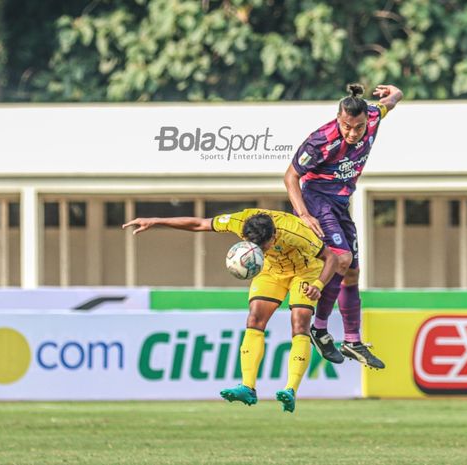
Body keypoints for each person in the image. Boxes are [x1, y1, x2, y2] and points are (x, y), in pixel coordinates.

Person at [122, 208, 337, 413]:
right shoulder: (239, 221)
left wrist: (318, 285)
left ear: (274, 237)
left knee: (299, 322)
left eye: (263, 248)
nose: (259, 252)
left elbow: (331, 258)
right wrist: (156, 221)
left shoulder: (295, 231)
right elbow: (199, 224)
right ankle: (248, 387)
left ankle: (290, 389)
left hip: (305, 272)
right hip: (271, 271)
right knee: (254, 319)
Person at [284, 83, 403, 369]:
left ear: (367, 121)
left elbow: (394, 99)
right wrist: (303, 214)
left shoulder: (373, 117)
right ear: (339, 119)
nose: (352, 132)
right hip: (316, 198)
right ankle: (320, 329)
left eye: (358, 127)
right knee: (342, 257)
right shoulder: (320, 140)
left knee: (352, 272)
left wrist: (395, 90)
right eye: (347, 126)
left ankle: (352, 340)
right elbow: (290, 176)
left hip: (340, 203)